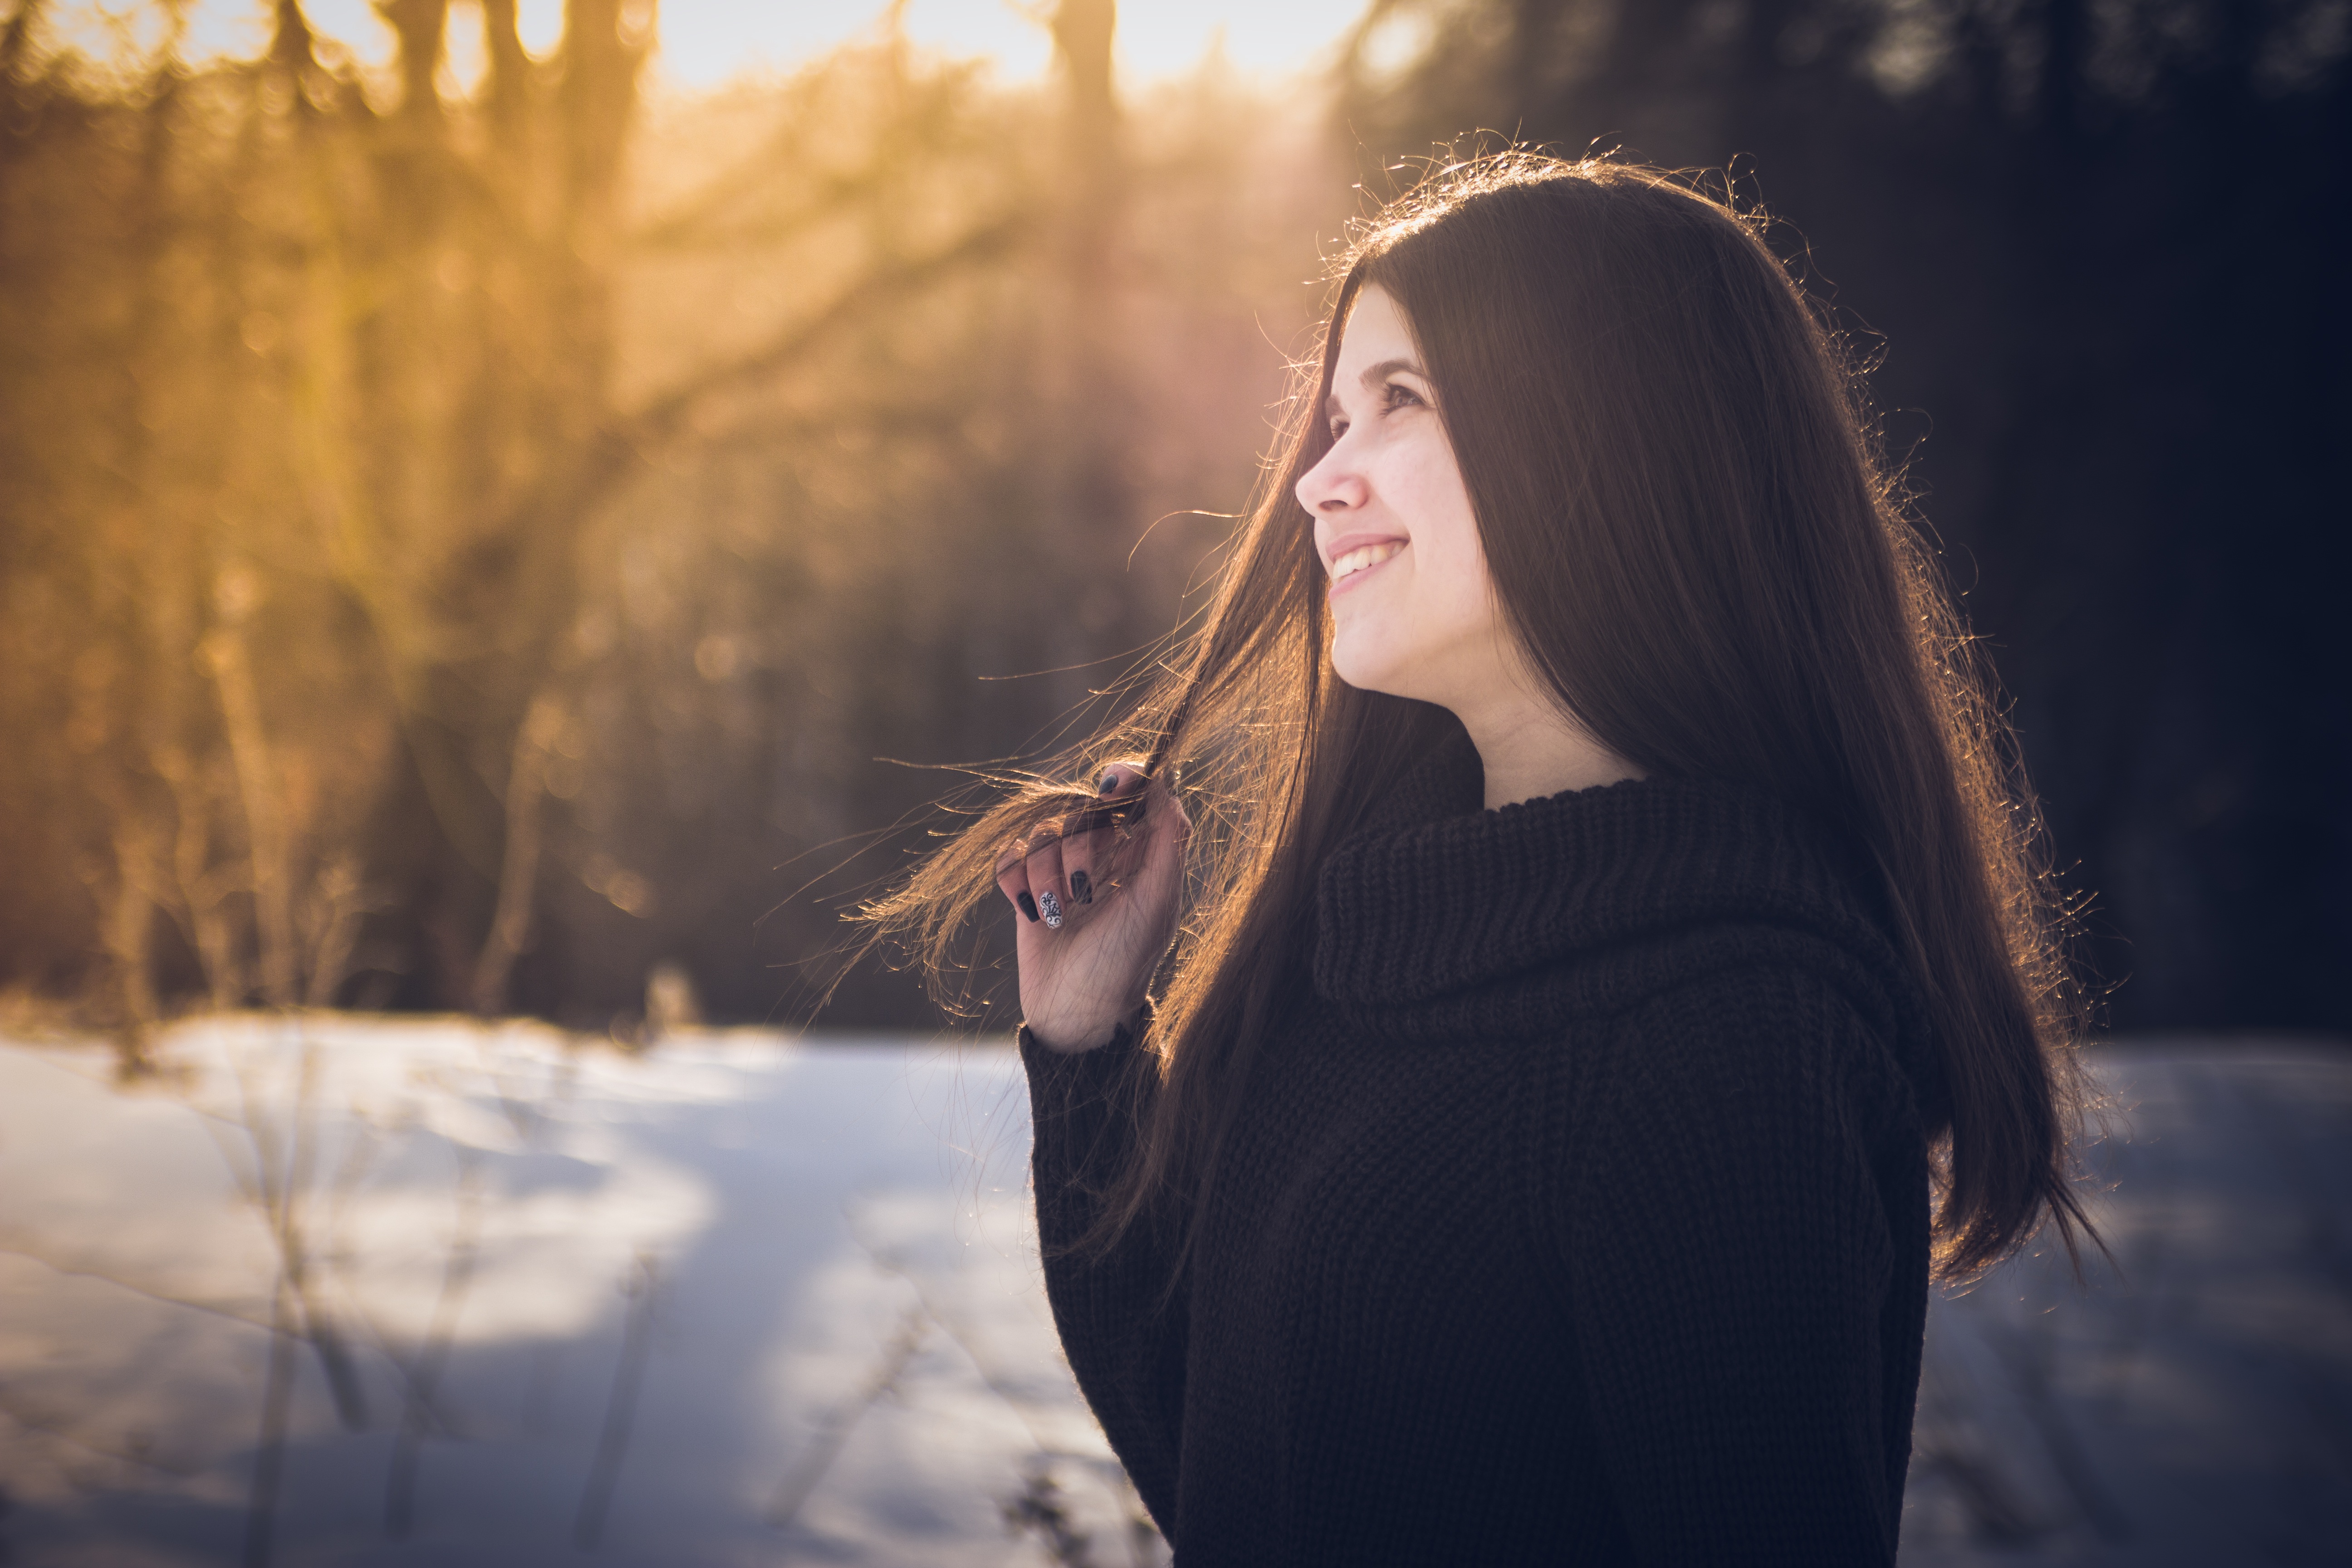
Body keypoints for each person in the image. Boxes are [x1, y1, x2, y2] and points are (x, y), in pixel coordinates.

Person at [864, 152, 2097, 1564]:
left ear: (1612, 442)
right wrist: (1088, 1049)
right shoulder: (1377, 944)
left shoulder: (1727, 1044)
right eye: (1335, 415)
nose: (1321, 482)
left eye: (1403, 400)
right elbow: (1238, 1466)